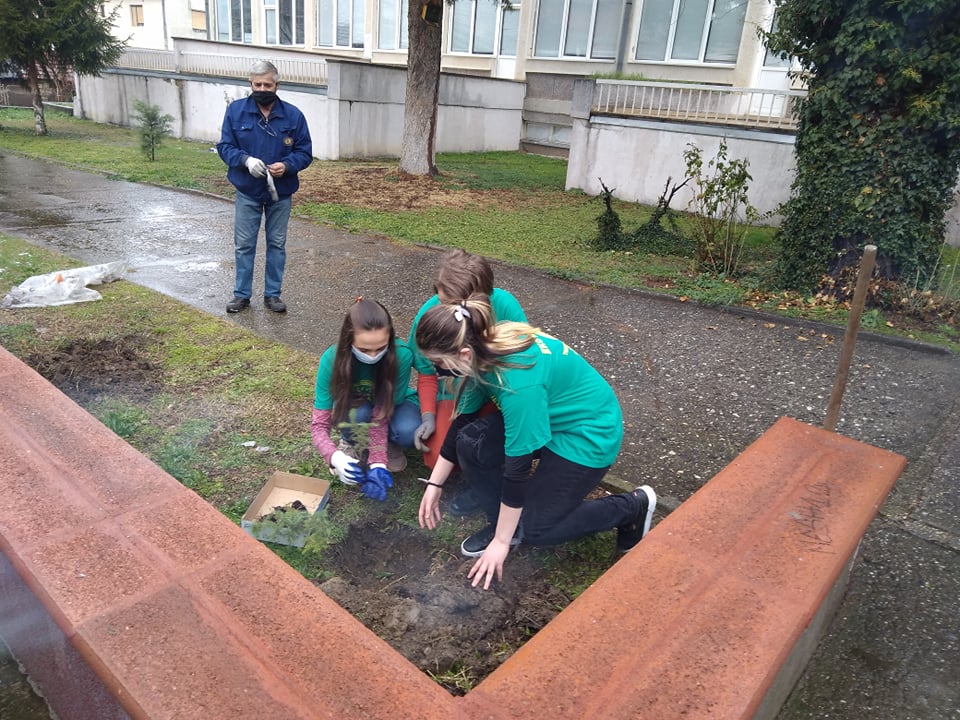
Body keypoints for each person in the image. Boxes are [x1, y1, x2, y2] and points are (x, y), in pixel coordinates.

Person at [414, 294, 657, 589]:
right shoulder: (482, 348)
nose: (437, 374)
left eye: (438, 365)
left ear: (463, 354)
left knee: (538, 529)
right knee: (471, 442)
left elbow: (517, 470)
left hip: (587, 434)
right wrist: (435, 485)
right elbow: (462, 422)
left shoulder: (518, 384)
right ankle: (505, 524)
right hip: (548, 418)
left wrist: (501, 545)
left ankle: (631, 507)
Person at [408, 248, 527, 516]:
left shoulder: (506, 307)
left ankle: (484, 481)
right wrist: (428, 415)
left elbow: (521, 371)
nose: (442, 310)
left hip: (499, 393)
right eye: (439, 298)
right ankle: (474, 466)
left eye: (449, 304)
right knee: (436, 454)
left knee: (489, 442)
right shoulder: (429, 316)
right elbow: (427, 372)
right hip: (458, 394)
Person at [217, 59, 313, 314]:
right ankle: (241, 295)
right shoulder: (236, 111)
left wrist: (288, 165)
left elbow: (305, 152)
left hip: (280, 193)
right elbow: (225, 147)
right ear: (251, 84)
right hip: (247, 189)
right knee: (244, 244)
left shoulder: (293, 116)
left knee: (277, 244)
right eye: (257, 84)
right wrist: (245, 160)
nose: (262, 89)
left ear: (277, 85)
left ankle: (273, 295)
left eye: (267, 84)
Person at [310, 298, 420, 500]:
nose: (373, 356)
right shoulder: (332, 360)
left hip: (391, 407)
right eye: (364, 350)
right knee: (357, 413)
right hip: (356, 407)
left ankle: (387, 444)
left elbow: (381, 412)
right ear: (348, 341)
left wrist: (378, 462)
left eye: (380, 348)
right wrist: (333, 456)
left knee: (408, 430)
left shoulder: (402, 355)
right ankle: (352, 442)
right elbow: (319, 424)